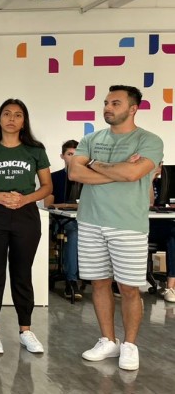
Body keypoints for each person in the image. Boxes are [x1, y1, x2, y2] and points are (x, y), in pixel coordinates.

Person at [70, 85, 163, 371]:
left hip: (128, 224)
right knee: (98, 282)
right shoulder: (91, 139)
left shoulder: (149, 140)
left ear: (133, 108)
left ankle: (130, 345)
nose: (108, 107)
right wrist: (117, 169)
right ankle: (108, 340)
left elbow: (134, 173)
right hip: (90, 221)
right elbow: (75, 172)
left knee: (129, 288)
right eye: (106, 102)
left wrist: (95, 165)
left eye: (116, 103)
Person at [0, 99, 52, 355]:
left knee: (22, 273)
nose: (11, 119)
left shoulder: (35, 150)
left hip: (25, 214)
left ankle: (25, 330)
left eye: (18, 115)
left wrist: (25, 199)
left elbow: (47, 186)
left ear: (24, 121)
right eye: (6, 114)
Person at [44, 139, 83, 301]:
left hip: (87, 221)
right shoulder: (54, 177)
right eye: (70, 154)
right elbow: (48, 204)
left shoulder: (88, 178)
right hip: (62, 222)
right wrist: (70, 205)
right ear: (62, 156)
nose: (73, 158)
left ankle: (111, 282)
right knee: (74, 231)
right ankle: (71, 281)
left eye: (77, 154)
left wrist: (71, 205)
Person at [150, 164, 175, 302]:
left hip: (161, 224)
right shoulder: (137, 182)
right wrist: (149, 179)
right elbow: (149, 203)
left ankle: (171, 286)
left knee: (173, 235)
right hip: (141, 225)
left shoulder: (162, 183)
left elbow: (168, 200)